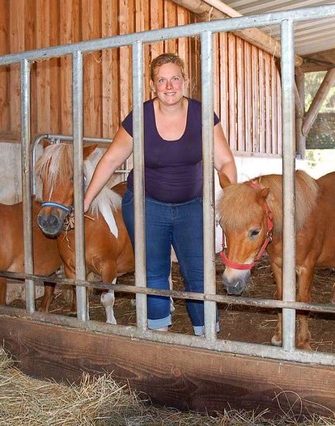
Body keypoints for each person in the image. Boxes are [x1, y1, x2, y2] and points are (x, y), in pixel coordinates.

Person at [83, 53, 237, 336]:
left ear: (186, 81)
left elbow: (225, 160)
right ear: (153, 85)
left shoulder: (203, 116)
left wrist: (232, 195)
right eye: (162, 80)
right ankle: (158, 336)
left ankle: (207, 335)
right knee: (153, 271)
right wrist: (85, 199)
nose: (169, 86)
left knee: (198, 272)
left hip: (192, 205)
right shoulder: (139, 117)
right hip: (146, 204)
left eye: (175, 78)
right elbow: (110, 161)